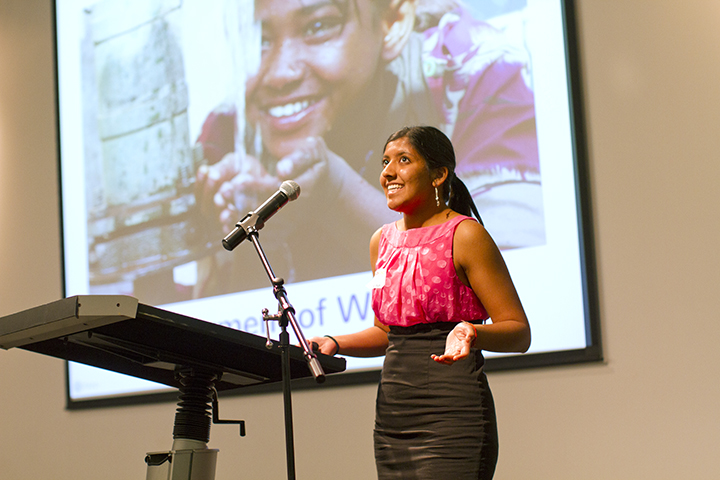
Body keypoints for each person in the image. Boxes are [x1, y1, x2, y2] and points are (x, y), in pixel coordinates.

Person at [192, 0, 543, 297]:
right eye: (259, 41)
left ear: (393, 22)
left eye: (319, 27)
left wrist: (338, 195)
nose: (280, 74)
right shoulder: (228, 131)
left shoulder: (483, 75)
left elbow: (513, 289)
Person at [309, 125, 530, 479]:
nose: (388, 172)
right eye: (385, 161)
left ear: (438, 175)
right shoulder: (381, 241)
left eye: (404, 160)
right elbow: (387, 333)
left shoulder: (466, 234)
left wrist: (471, 332)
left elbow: (519, 332)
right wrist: (336, 342)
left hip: (454, 415)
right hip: (394, 416)